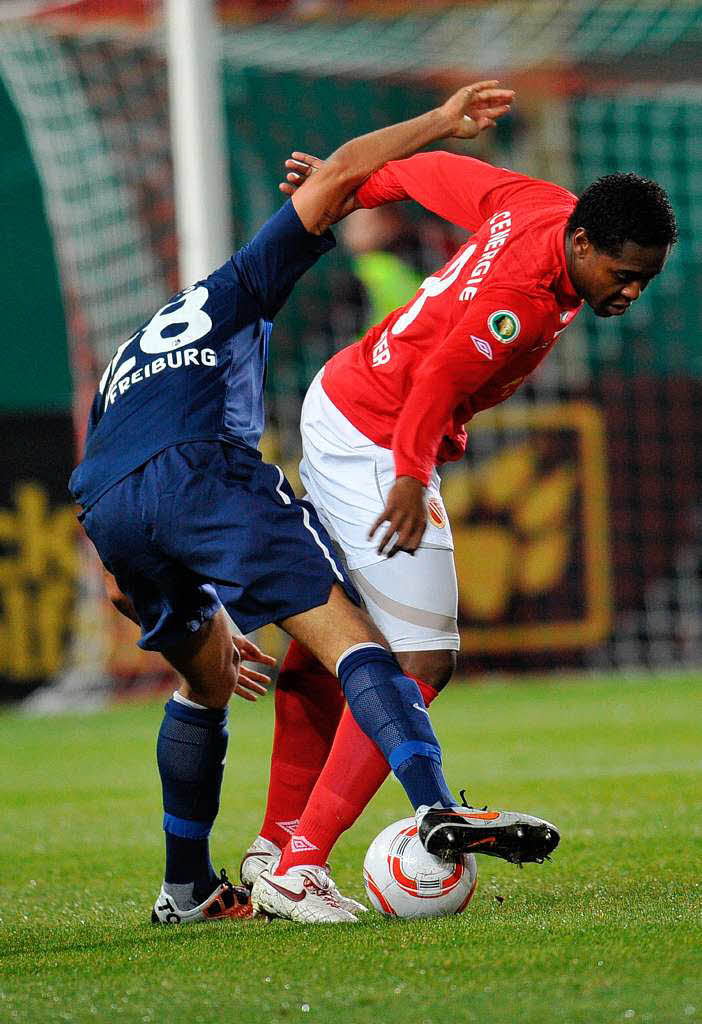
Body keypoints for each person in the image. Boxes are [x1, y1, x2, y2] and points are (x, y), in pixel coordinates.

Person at [70, 82, 557, 927]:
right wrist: (440, 123)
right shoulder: (235, 287)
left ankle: (186, 890)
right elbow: (334, 180)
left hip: (108, 499)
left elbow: (116, 503)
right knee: (364, 644)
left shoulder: (128, 355)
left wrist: (199, 606)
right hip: (206, 474)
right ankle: (434, 803)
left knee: (205, 683)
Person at [243, 140, 677, 904]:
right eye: (623, 273)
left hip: (347, 401)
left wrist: (349, 188)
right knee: (422, 660)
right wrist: (410, 476)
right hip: (377, 438)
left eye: (646, 277)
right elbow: (440, 376)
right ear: (582, 244)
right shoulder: (525, 299)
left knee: (331, 647)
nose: (633, 290)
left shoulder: (540, 204)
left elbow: (426, 170)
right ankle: (300, 867)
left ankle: (276, 841)